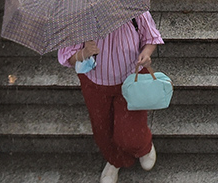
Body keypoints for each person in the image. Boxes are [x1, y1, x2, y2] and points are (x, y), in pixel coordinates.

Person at [59, 11, 163, 183]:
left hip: (130, 79)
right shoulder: (77, 15)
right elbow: (67, 56)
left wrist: (146, 53)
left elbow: (151, 37)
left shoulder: (134, 10)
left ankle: (143, 146)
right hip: (95, 84)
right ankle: (115, 160)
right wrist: (83, 53)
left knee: (131, 131)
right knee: (102, 128)